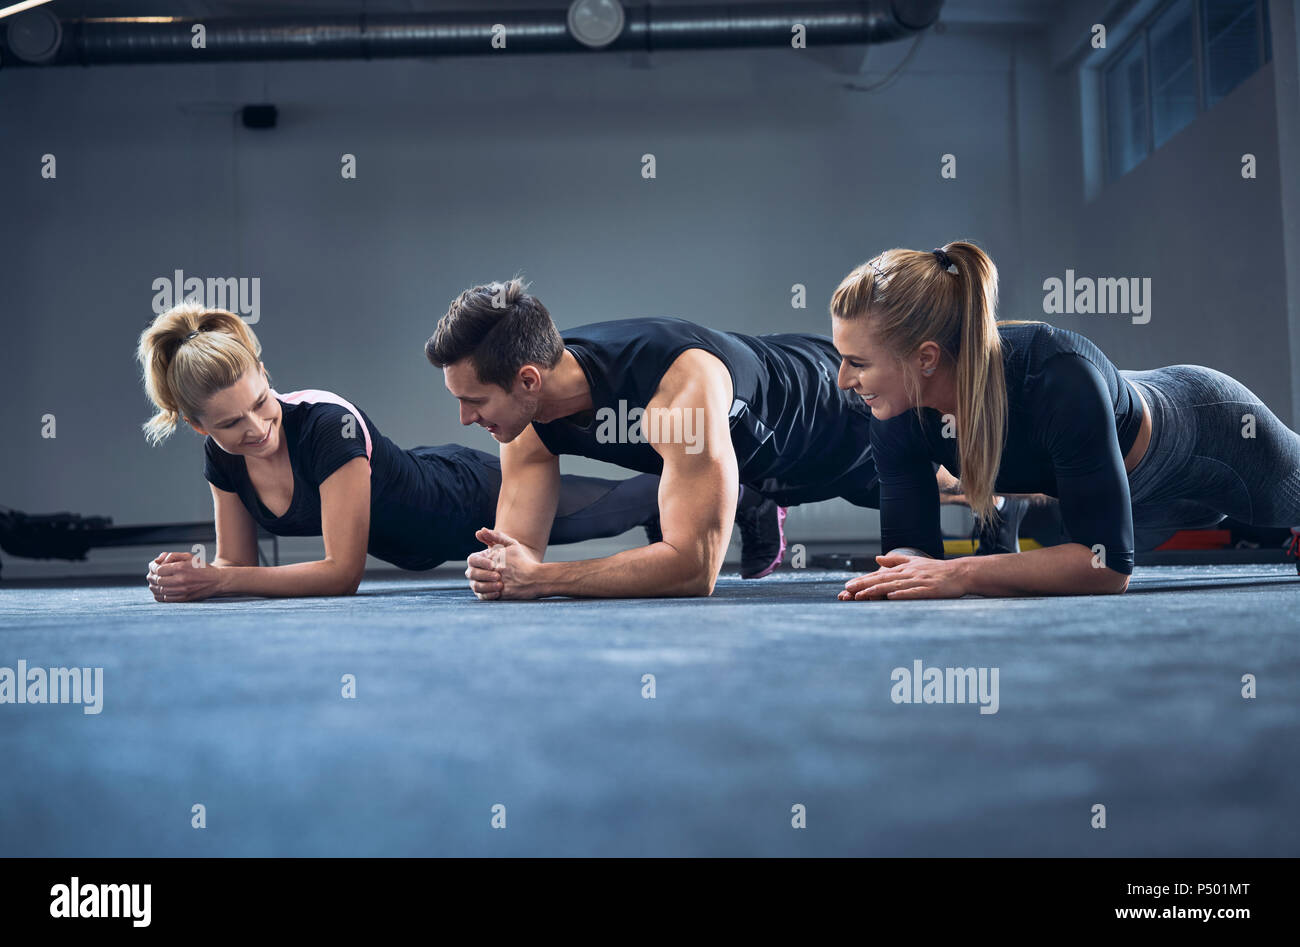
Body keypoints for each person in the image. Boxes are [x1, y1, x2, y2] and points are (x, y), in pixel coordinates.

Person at [427, 278, 977, 600]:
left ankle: (1012, 495)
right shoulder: (526, 415)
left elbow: (693, 569)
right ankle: (747, 493)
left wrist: (544, 579)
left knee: (954, 483)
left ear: (527, 380)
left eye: (474, 401)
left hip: (826, 415)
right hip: (752, 454)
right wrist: (507, 572)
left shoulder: (676, 387)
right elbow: (515, 557)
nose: (464, 419)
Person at [830, 240, 1300, 600]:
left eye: (858, 362)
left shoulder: (1056, 375)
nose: (842, 380)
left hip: (1211, 440)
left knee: (1283, 508)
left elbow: (1108, 569)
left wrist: (959, 573)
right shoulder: (894, 411)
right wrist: (902, 572)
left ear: (925, 357)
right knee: (1093, 529)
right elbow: (912, 553)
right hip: (1129, 500)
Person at [136, 302, 674, 602]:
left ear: (266, 377)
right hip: (425, 533)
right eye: (230, 423)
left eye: (260, 402)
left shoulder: (328, 425)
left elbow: (340, 574)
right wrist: (195, 575)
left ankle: (739, 494)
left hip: (464, 498)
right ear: (197, 426)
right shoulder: (223, 461)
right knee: (618, 509)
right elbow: (235, 563)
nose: (256, 428)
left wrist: (222, 579)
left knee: (614, 510)